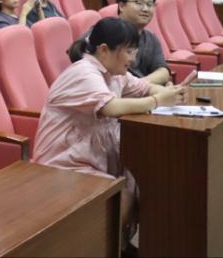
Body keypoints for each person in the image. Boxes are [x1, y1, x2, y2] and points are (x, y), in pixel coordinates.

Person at [33, 17, 184, 244]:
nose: (133, 59)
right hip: (63, 163)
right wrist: (157, 101)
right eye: (129, 52)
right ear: (104, 50)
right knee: (119, 196)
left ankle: (122, 245)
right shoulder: (83, 73)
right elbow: (111, 107)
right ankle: (103, 248)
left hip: (94, 157)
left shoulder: (115, 73)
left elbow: (144, 87)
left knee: (147, 180)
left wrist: (167, 92)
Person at [69, 0, 171, 85]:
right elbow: (81, 58)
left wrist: (140, 86)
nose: (145, 9)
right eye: (139, 3)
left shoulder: (151, 38)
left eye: (150, 4)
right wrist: (140, 87)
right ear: (121, 6)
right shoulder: (105, 31)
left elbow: (163, 71)